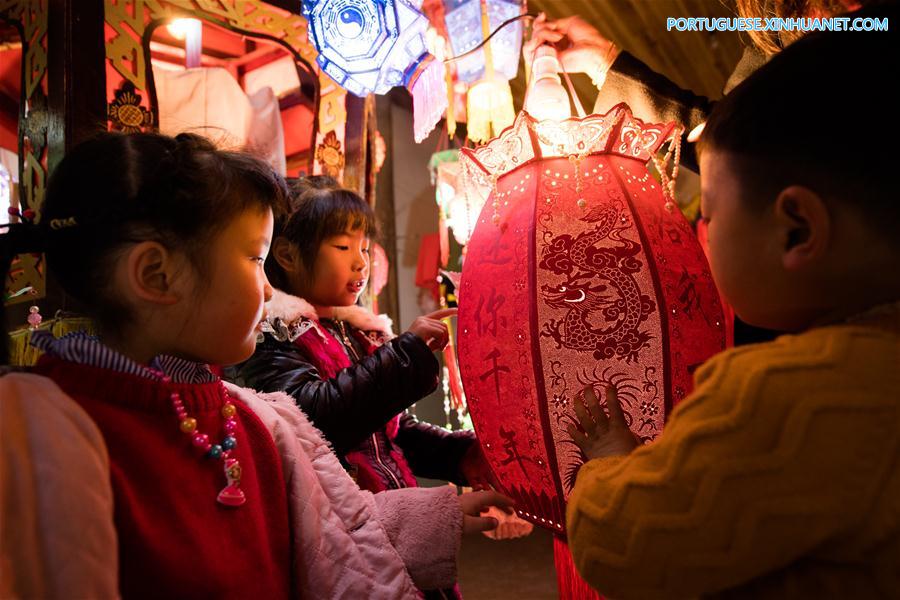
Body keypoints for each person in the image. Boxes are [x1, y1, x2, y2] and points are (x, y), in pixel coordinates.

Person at [1, 132, 512, 599]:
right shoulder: (38, 430)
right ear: (157, 275)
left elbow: (327, 527)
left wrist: (441, 513)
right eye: (253, 259)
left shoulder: (257, 417)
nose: (269, 288)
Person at [564, 11, 900, 598]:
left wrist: (610, 462)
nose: (702, 229)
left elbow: (621, 542)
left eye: (710, 213)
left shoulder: (774, 396)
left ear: (796, 229)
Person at [230, 177, 496, 598]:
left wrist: (461, 455)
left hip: (398, 518)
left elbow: (390, 432)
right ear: (286, 254)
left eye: (364, 248)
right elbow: (315, 421)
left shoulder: (355, 330)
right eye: (342, 248)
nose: (360, 263)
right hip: (343, 539)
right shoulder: (274, 334)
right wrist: (403, 356)